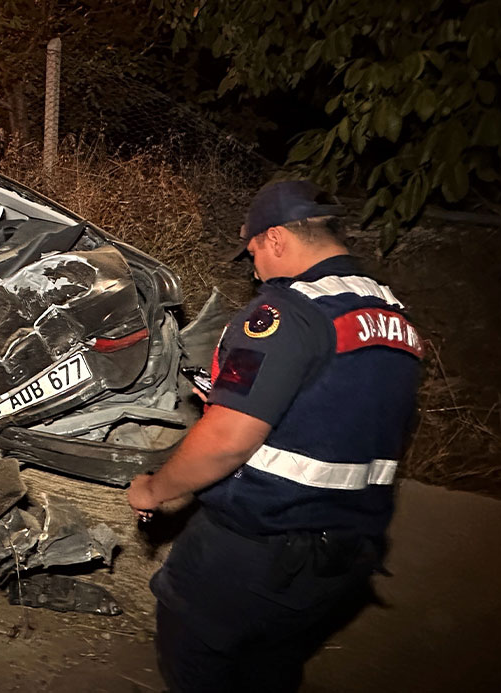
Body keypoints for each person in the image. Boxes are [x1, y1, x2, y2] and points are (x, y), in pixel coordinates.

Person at [128, 180, 423, 691]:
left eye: (253, 252)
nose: (254, 267)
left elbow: (228, 440)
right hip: (342, 557)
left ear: (277, 238)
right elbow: (335, 412)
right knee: (269, 665)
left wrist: (154, 488)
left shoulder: (286, 313)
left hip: (255, 551)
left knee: (196, 659)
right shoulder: (391, 313)